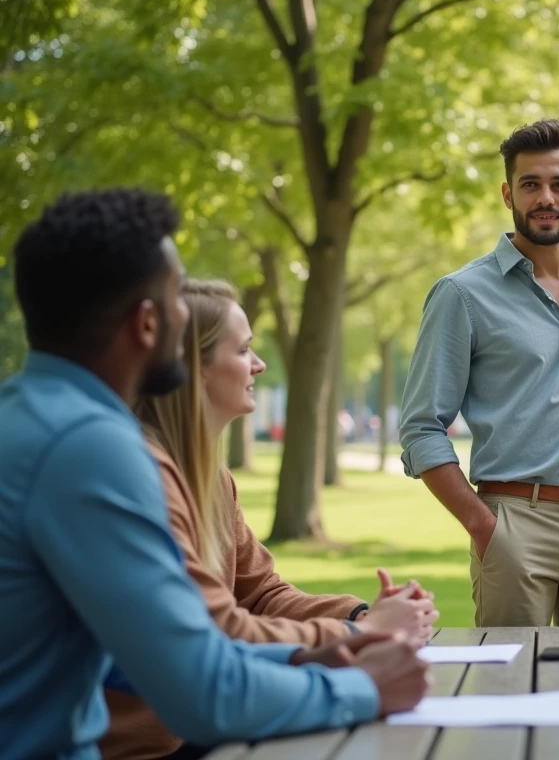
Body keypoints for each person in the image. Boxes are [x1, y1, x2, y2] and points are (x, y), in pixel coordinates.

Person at [0, 189, 430, 760]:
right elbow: (201, 691)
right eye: (178, 296)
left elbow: (154, 654)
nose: (186, 312)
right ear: (148, 322)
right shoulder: (90, 448)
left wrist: (312, 648)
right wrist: (364, 684)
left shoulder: (29, 416)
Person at [101, 279, 440, 759]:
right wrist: (358, 634)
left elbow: (261, 595)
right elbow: (219, 631)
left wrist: (359, 613)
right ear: (195, 369)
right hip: (148, 747)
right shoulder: (142, 477)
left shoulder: (212, 480)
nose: (258, 365)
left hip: (201, 731)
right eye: (243, 351)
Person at [398, 119, 559, 627]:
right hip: (516, 526)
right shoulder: (462, 294)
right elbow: (421, 427)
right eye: (531, 184)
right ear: (507, 194)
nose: (546, 197)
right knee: (513, 691)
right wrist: (484, 527)